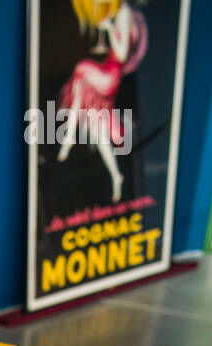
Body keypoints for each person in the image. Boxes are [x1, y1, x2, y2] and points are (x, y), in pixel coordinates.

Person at [57, 0, 148, 205]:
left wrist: (108, 28)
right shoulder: (125, 13)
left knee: (81, 70)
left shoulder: (124, 12)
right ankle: (116, 176)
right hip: (109, 70)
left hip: (110, 73)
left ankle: (70, 135)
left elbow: (122, 53)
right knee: (98, 131)